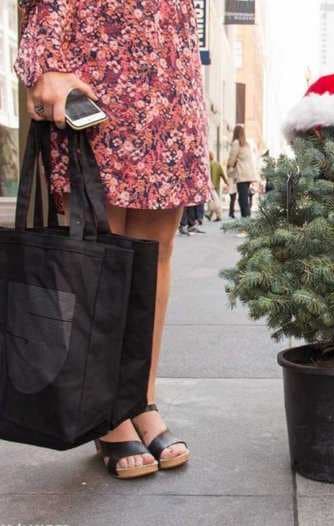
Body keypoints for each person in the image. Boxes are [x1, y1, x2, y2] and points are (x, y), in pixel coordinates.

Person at [16, 0, 208, 477]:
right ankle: (104, 410)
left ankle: (139, 398)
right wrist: (44, 61)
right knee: (100, 249)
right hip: (97, 55)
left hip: (169, 62)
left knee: (156, 251)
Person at [226, 125, 259, 218]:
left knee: (242, 199)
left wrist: (229, 166)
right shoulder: (246, 144)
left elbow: (232, 158)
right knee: (244, 198)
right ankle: (246, 219)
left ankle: (246, 221)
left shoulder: (236, 143)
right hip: (248, 175)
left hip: (242, 174)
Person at [207, 151, 227, 222]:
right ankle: (211, 215)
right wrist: (226, 182)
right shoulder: (218, 164)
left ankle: (214, 215)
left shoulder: (209, 165)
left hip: (211, 186)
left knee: (212, 201)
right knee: (216, 200)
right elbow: (222, 174)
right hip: (217, 186)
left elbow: (208, 176)